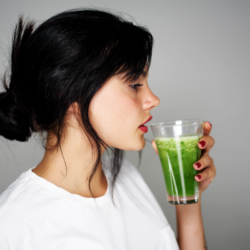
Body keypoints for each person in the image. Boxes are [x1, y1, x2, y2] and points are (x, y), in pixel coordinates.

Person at [0, 8, 216, 250]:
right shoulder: (13, 226)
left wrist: (187, 196)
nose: (154, 99)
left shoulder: (127, 177)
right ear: (69, 94)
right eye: (135, 84)